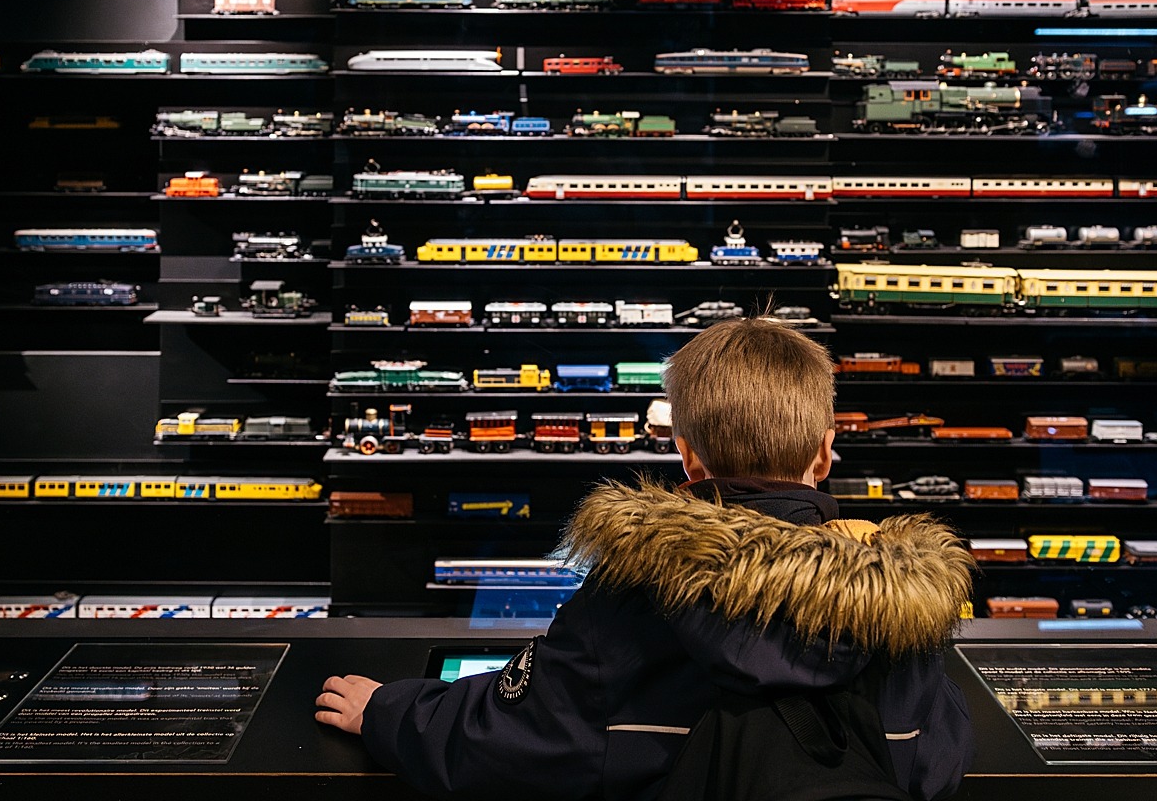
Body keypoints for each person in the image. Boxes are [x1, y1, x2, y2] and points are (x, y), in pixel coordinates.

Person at [316, 317, 976, 800]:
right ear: (825, 453)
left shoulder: (632, 592)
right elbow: (935, 757)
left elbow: (504, 740)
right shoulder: (896, 605)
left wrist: (386, 711)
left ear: (686, 455)